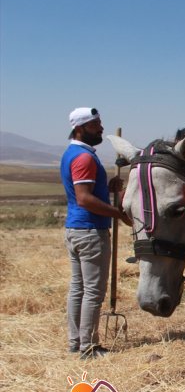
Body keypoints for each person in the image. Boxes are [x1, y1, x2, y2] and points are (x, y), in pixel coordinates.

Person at [60, 107, 130, 359]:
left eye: (100, 123)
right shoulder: (84, 158)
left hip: (76, 229)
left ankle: (75, 341)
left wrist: (107, 185)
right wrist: (117, 213)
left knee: (78, 288)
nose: (101, 128)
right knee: (92, 291)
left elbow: (88, 191)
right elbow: (84, 198)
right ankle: (88, 347)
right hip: (90, 231)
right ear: (80, 129)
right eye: (95, 125)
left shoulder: (73, 154)